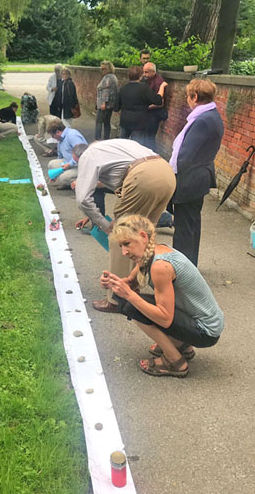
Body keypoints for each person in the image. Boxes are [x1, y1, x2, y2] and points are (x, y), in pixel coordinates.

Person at [100, 214, 224, 378]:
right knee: (127, 299)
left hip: (206, 331)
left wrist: (128, 295)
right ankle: (182, 345)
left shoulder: (160, 266)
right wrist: (113, 283)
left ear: (143, 237)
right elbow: (131, 282)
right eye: (121, 246)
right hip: (205, 322)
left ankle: (175, 362)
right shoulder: (152, 251)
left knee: (130, 304)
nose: (124, 252)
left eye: (127, 244)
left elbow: (165, 318)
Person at [74, 139, 176, 312]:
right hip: (166, 173)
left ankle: (117, 300)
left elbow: (83, 199)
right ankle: (144, 285)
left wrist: (106, 226)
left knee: (122, 238)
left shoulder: (89, 154)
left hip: (143, 177)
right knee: (144, 236)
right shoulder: (116, 146)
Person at [169, 78, 224, 266]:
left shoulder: (201, 120)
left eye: (188, 96)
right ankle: (189, 265)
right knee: (191, 225)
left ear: (195, 96)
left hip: (190, 180)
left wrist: (170, 179)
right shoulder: (211, 115)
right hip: (198, 178)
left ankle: (181, 271)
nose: (187, 99)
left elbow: (185, 156)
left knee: (184, 228)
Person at [114, 66, 162, 146]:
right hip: (139, 123)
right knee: (137, 147)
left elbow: (116, 108)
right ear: (140, 76)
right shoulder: (144, 89)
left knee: (122, 145)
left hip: (125, 121)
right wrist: (162, 87)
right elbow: (158, 101)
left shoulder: (123, 89)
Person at [46, 119, 87, 189]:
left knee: (63, 178)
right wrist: (55, 173)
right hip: (69, 162)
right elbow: (60, 156)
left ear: (58, 132)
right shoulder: (60, 139)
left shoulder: (73, 136)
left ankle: (84, 185)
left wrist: (69, 164)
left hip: (82, 166)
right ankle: (68, 182)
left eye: (53, 136)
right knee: (52, 164)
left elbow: (82, 154)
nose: (53, 138)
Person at [142, 62, 168, 152]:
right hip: (148, 113)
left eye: (146, 72)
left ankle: (152, 154)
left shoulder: (158, 82)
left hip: (154, 113)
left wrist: (145, 107)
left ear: (153, 72)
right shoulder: (147, 80)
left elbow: (160, 103)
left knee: (150, 137)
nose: (144, 74)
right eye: (143, 72)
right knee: (146, 136)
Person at [95, 60, 118, 140]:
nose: (102, 71)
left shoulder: (108, 78)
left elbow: (106, 91)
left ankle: (97, 139)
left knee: (99, 121)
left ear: (109, 69)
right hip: (110, 104)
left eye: (104, 69)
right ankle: (106, 138)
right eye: (101, 69)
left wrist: (104, 103)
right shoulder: (113, 77)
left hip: (104, 104)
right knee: (106, 122)